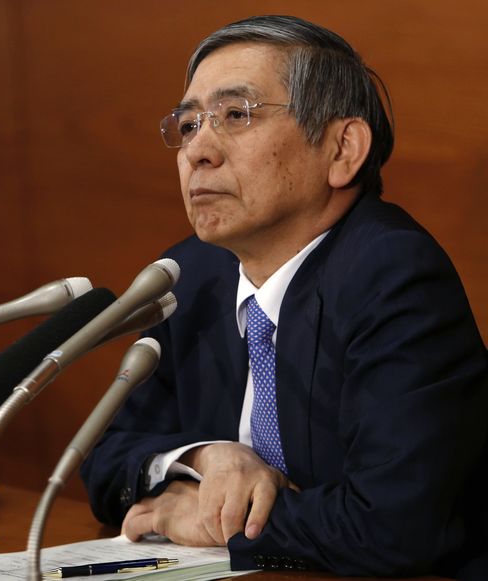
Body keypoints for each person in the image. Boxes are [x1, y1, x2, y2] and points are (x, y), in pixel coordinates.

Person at [81, 14, 487, 580]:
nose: (198, 149)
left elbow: (395, 526)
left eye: (235, 115)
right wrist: (202, 456)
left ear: (343, 149)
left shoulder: (393, 274)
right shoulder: (192, 274)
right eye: (189, 123)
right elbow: (103, 460)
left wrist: (210, 516)